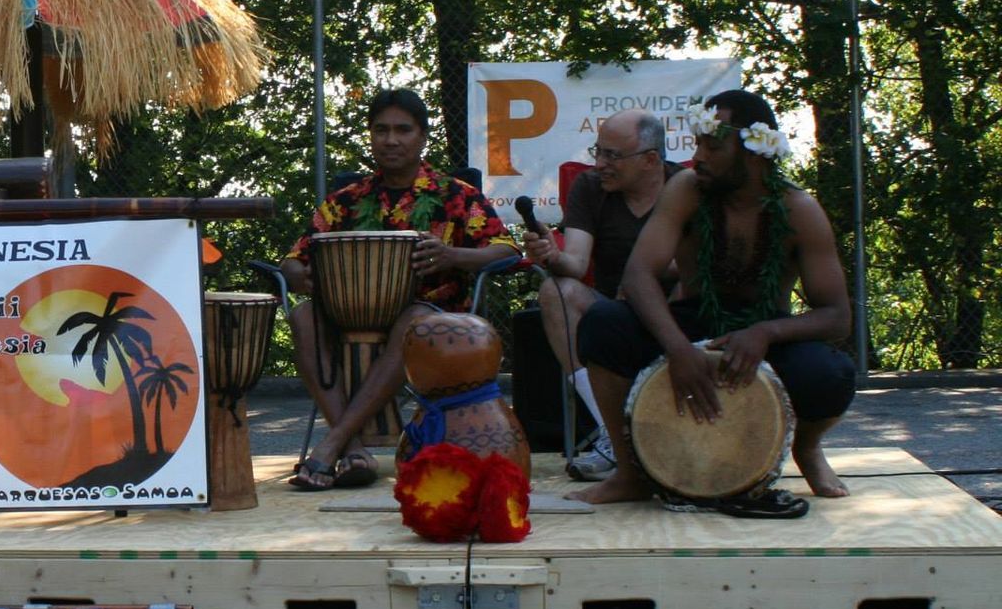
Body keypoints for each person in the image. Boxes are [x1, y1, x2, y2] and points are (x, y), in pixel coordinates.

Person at [571, 89, 856, 504]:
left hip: (765, 334)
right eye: (697, 143)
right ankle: (631, 473)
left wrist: (765, 332)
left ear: (754, 152)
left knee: (831, 374)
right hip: (693, 318)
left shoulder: (799, 209)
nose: (698, 157)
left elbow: (836, 316)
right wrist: (678, 349)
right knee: (602, 324)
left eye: (712, 146)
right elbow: (638, 277)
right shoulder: (687, 189)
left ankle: (807, 448)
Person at [280, 88, 518, 490]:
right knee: (303, 314)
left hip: (430, 318)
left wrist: (452, 256)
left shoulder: (457, 196)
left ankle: (333, 443)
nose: (391, 140)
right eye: (381, 130)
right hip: (349, 315)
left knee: (414, 319)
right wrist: (298, 275)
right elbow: (292, 259)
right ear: (370, 135)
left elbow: (505, 251)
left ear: (423, 136)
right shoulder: (346, 201)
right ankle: (354, 447)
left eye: (403, 130)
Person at [520, 108, 679, 479]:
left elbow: (698, 266)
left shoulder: (685, 186)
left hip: (676, 312)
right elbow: (575, 263)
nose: (600, 163)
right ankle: (615, 435)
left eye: (612, 155)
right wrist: (553, 255)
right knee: (556, 290)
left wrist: (645, 278)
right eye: (598, 151)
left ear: (651, 160)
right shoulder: (591, 187)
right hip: (614, 317)